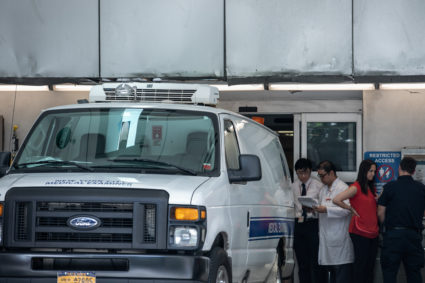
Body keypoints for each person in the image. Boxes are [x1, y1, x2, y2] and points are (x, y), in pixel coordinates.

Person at [377, 157, 425, 283]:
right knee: (414, 273)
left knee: (389, 273)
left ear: (399, 168)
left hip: (393, 236)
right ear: (414, 171)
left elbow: (380, 212)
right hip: (414, 236)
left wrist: (387, 226)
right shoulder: (421, 188)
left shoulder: (389, 187)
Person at [333, 159, 379, 283]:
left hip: (373, 231)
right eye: (370, 171)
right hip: (360, 231)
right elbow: (336, 199)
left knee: (370, 266)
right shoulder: (356, 187)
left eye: (374, 171)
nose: (372, 174)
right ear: (364, 171)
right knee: (361, 265)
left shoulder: (370, 188)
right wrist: (350, 208)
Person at [313, 160, 354, 283]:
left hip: (339, 239)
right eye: (319, 176)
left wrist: (326, 209)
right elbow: (321, 208)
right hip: (326, 239)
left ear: (331, 173)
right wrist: (314, 208)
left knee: (341, 276)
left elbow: (348, 210)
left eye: (323, 176)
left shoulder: (343, 188)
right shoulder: (323, 190)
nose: (321, 179)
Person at [292, 158, 327, 283]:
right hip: (299, 224)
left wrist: (315, 209)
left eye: (304, 172)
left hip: (313, 224)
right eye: (299, 173)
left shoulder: (319, 185)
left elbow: (324, 205)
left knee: (315, 260)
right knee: (302, 262)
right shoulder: (293, 186)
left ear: (310, 171)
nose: (302, 176)